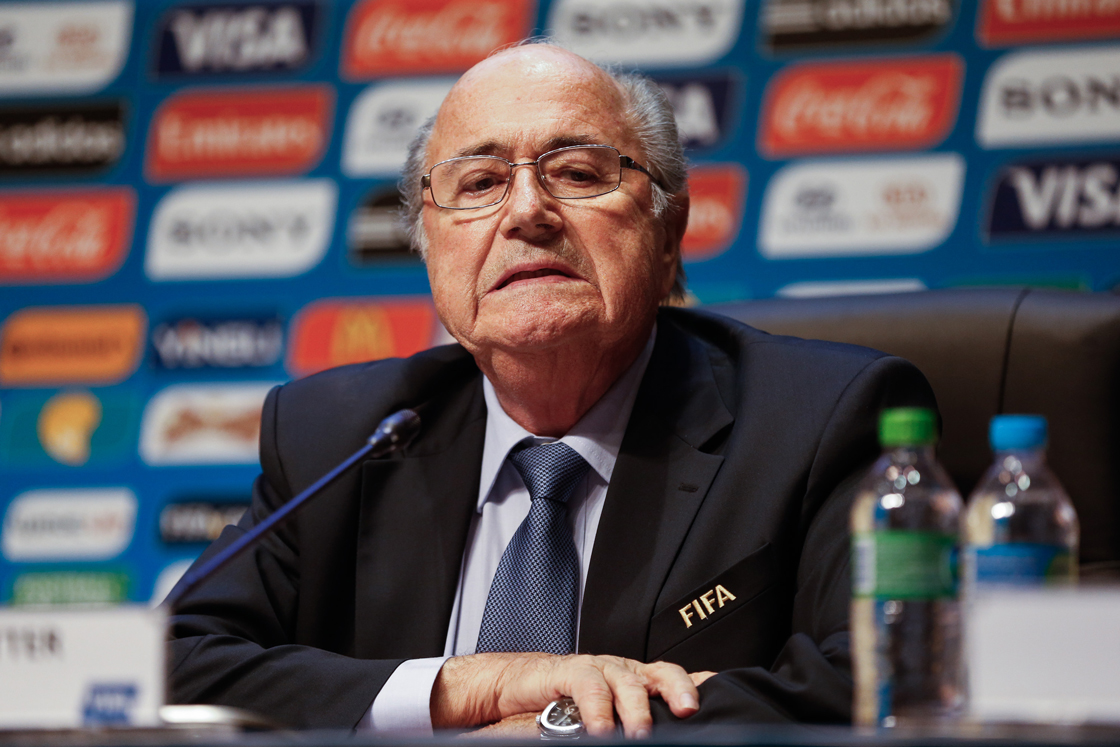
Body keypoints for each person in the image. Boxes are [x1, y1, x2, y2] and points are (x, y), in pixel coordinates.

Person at [168, 42, 936, 736]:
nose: (527, 212)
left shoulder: (818, 419)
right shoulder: (337, 432)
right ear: (430, 247)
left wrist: (553, 730)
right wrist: (468, 686)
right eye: (479, 183)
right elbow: (169, 661)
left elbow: (887, 675)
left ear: (668, 232)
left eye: (577, 172)